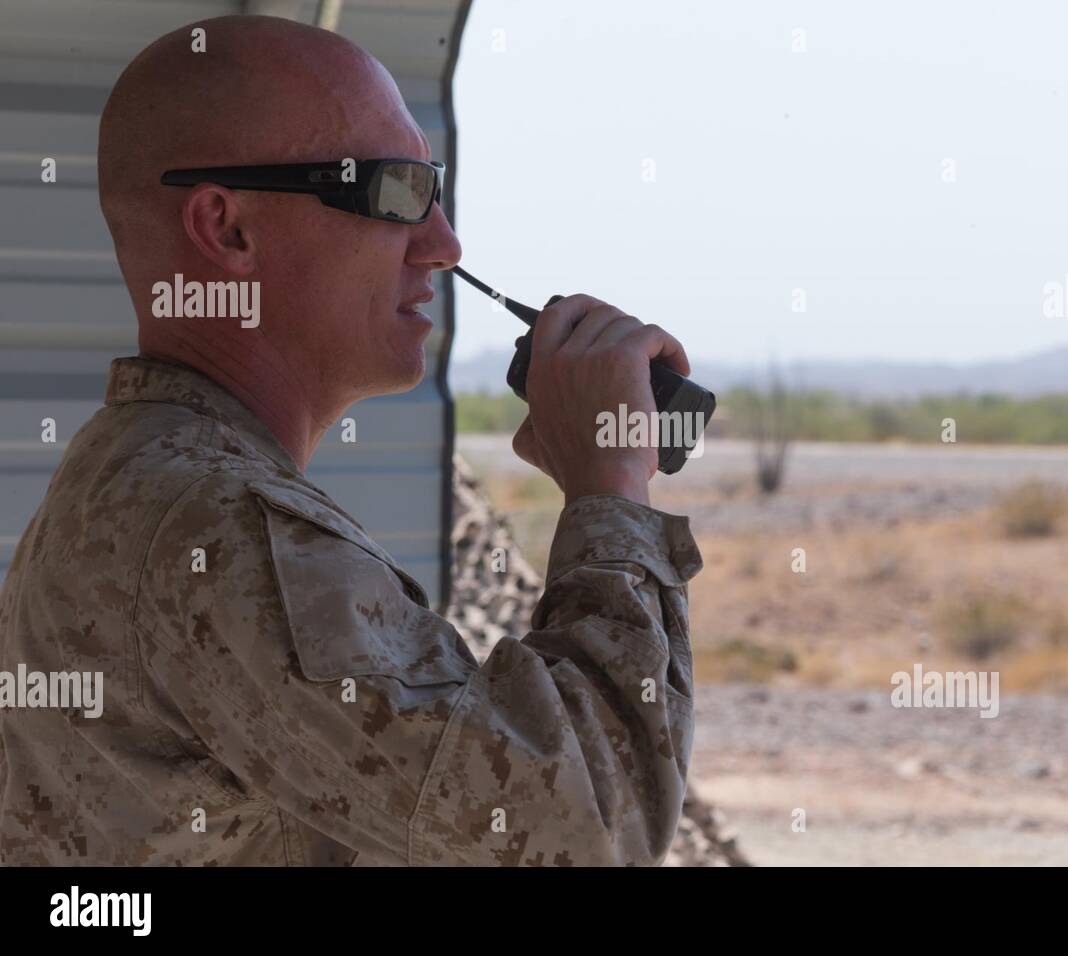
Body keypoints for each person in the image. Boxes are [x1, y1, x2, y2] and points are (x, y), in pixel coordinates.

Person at [0, 14, 700, 866]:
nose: (443, 246)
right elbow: (591, 830)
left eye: (434, 188)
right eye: (393, 189)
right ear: (227, 231)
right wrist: (611, 497)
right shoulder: (214, 524)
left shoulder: (135, 473)